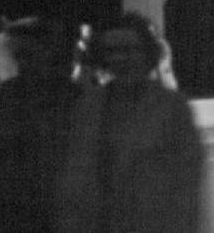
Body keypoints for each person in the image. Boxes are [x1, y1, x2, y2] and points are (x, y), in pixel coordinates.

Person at [0, 17, 93, 233]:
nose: (23, 63)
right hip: (12, 213)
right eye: (20, 56)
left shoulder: (76, 99)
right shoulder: (7, 95)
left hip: (61, 211)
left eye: (31, 55)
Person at [73, 12, 206, 233]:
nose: (120, 59)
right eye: (112, 51)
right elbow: (76, 176)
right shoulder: (90, 105)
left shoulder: (172, 107)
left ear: (146, 52)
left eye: (129, 50)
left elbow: (188, 183)